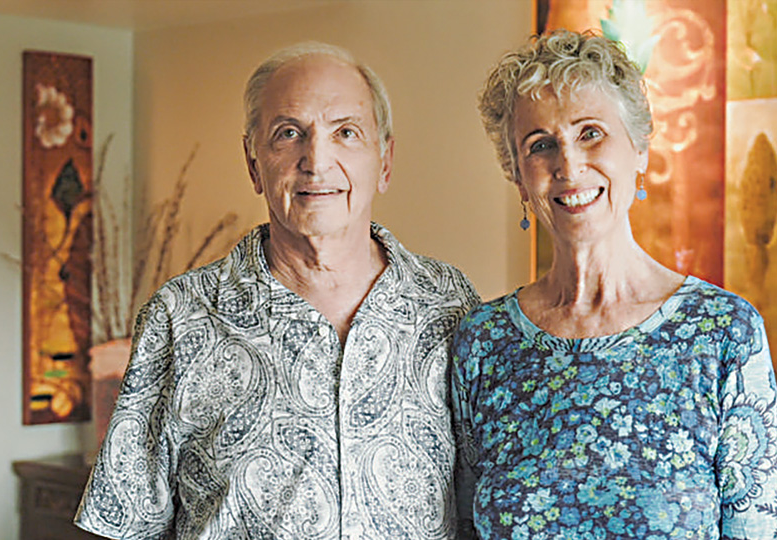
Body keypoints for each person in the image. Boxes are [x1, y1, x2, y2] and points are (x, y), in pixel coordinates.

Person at [75, 42, 479, 539]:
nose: (317, 161)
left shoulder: (449, 303)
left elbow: (479, 502)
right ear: (253, 162)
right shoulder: (180, 317)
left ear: (385, 161)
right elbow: (124, 521)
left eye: (346, 133)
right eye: (289, 134)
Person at [451, 29, 777, 539]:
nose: (568, 166)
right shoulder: (483, 343)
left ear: (640, 150)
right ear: (518, 177)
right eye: (540, 146)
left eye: (591, 133)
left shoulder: (723, 334)